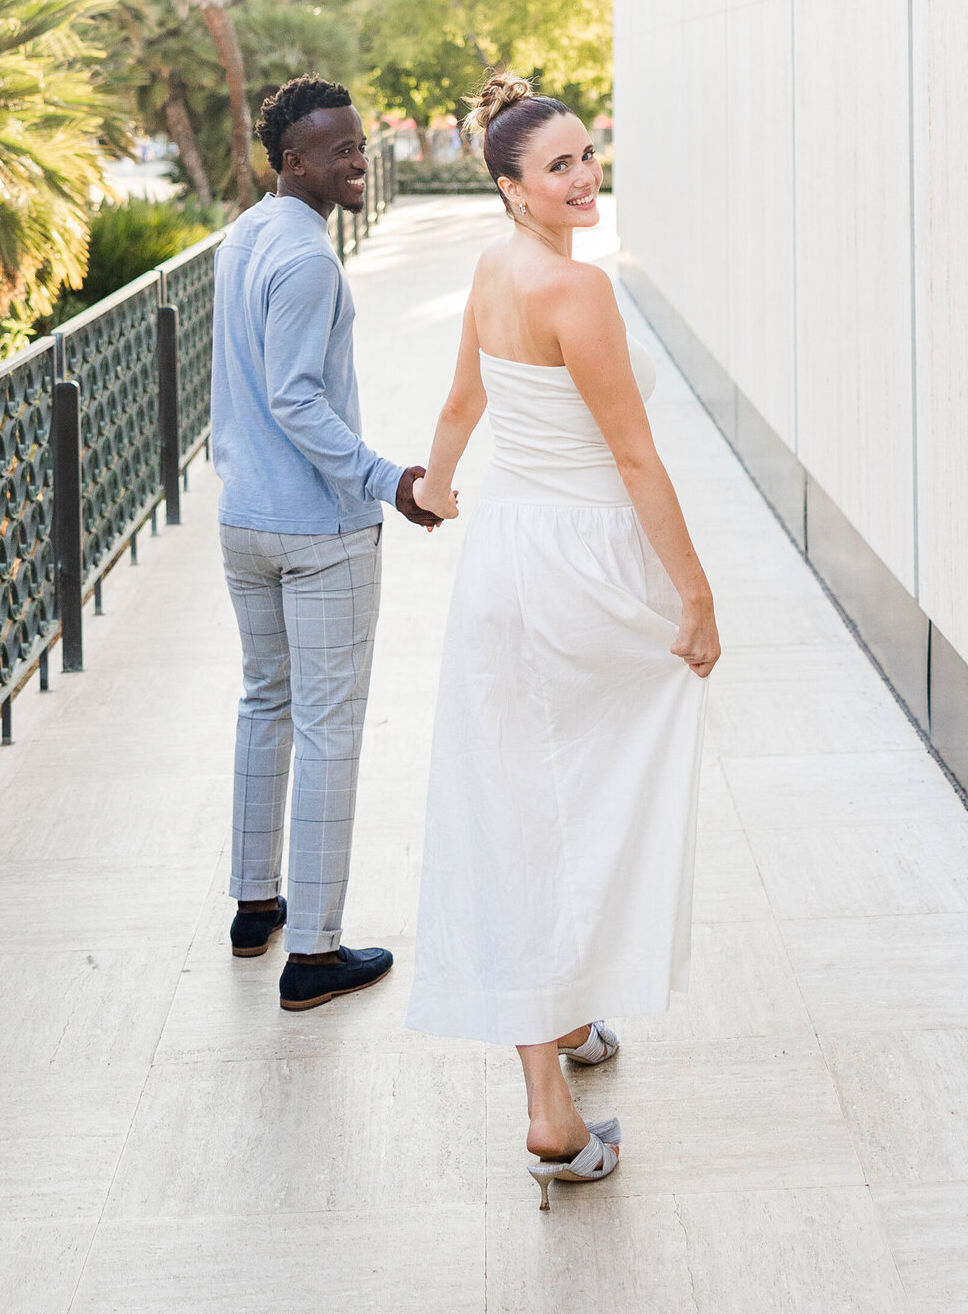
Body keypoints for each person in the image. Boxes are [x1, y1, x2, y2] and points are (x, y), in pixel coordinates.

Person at [406, 71, 721, 1210]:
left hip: (505, 563)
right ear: (513, 189)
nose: (585, 178)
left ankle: (571, 1018)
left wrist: (437, 496)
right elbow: (636, 460)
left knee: (528, 801)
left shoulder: (494, 267)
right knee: (569, 806)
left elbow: (457, 408)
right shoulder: (574, 295)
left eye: (589, 156)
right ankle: (547, 1111)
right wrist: (694, 596)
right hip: (578, 568)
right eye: (560, 167)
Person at [211, 74, 440, 1012]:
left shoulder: (245, 235)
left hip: (245, 523)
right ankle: (314, 954)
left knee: (266, 705)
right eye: (338, 149)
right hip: (316, 532)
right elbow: (296, 396)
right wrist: (389, 480)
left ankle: (254, 906)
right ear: (292, 161)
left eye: (359, 144)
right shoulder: (306, 259)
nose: (357, 159)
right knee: (328, 730)